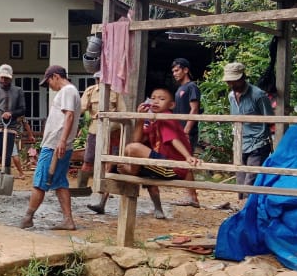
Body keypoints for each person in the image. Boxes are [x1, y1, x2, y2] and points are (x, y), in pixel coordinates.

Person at [118, 87, 202, 220]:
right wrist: (140, 119)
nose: (156, 101)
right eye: (153, 98)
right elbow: (137, 140)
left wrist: (188, 157)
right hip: (162, 163)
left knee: (132, 149)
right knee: (129, 151)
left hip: (172, 167)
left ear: (171, 105)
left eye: (161, 99)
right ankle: (157, 208)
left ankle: (131, 171)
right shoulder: (155, 120)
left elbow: (174, 140)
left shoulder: (166, 117)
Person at [19, 65, 81, 231]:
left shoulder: (67, 91)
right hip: (59, 144)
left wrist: (61, 141)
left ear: (55, 76)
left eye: (49, 82)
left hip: (55, 145)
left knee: (40, 182)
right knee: (60, 183)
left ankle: (27, 218)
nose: (49, 87)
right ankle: (68, 220)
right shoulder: (71, 91)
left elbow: (69, 115)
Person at [224, 62, 273, 196]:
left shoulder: (258, 95)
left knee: (250, 181)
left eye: (235, 81)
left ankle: (248, 209)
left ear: (243, 77)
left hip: (257, 142)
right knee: (240, 181)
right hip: (240, 141)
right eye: (229, 81)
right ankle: (243, 208)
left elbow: (270, 119)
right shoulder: (231, 96)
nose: (232, 84)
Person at [83, 71, 125, 214]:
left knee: (110, 165)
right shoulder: (90, 92)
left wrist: (109, 118)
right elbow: (82, 108)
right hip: (94, 131)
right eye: (98, 78)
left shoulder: (116, 93)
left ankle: (101, 202)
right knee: (88, 162)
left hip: (112, 132)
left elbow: (123, 113)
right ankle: (82, 191)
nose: (100, 80)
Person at [0, 64, 35, 179]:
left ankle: (4, 179)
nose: (3, 80)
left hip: (10, 128)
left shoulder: (18, 91)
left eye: (6, 78)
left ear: (11, 77)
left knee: (6, 156)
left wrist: (11, 113)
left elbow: (22, 109)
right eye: (1, 77)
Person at [171, 58, 202, 207]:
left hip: (187, 132)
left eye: (177, 70)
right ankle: (190, 195)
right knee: (183, 162)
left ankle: (192, 197)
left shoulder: (192, 87)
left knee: (186, 161)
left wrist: (186, 131)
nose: (174, 74)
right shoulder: (179, 89)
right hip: (179, 131)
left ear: (185, 70)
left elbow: (194, 109)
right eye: (173, 71)